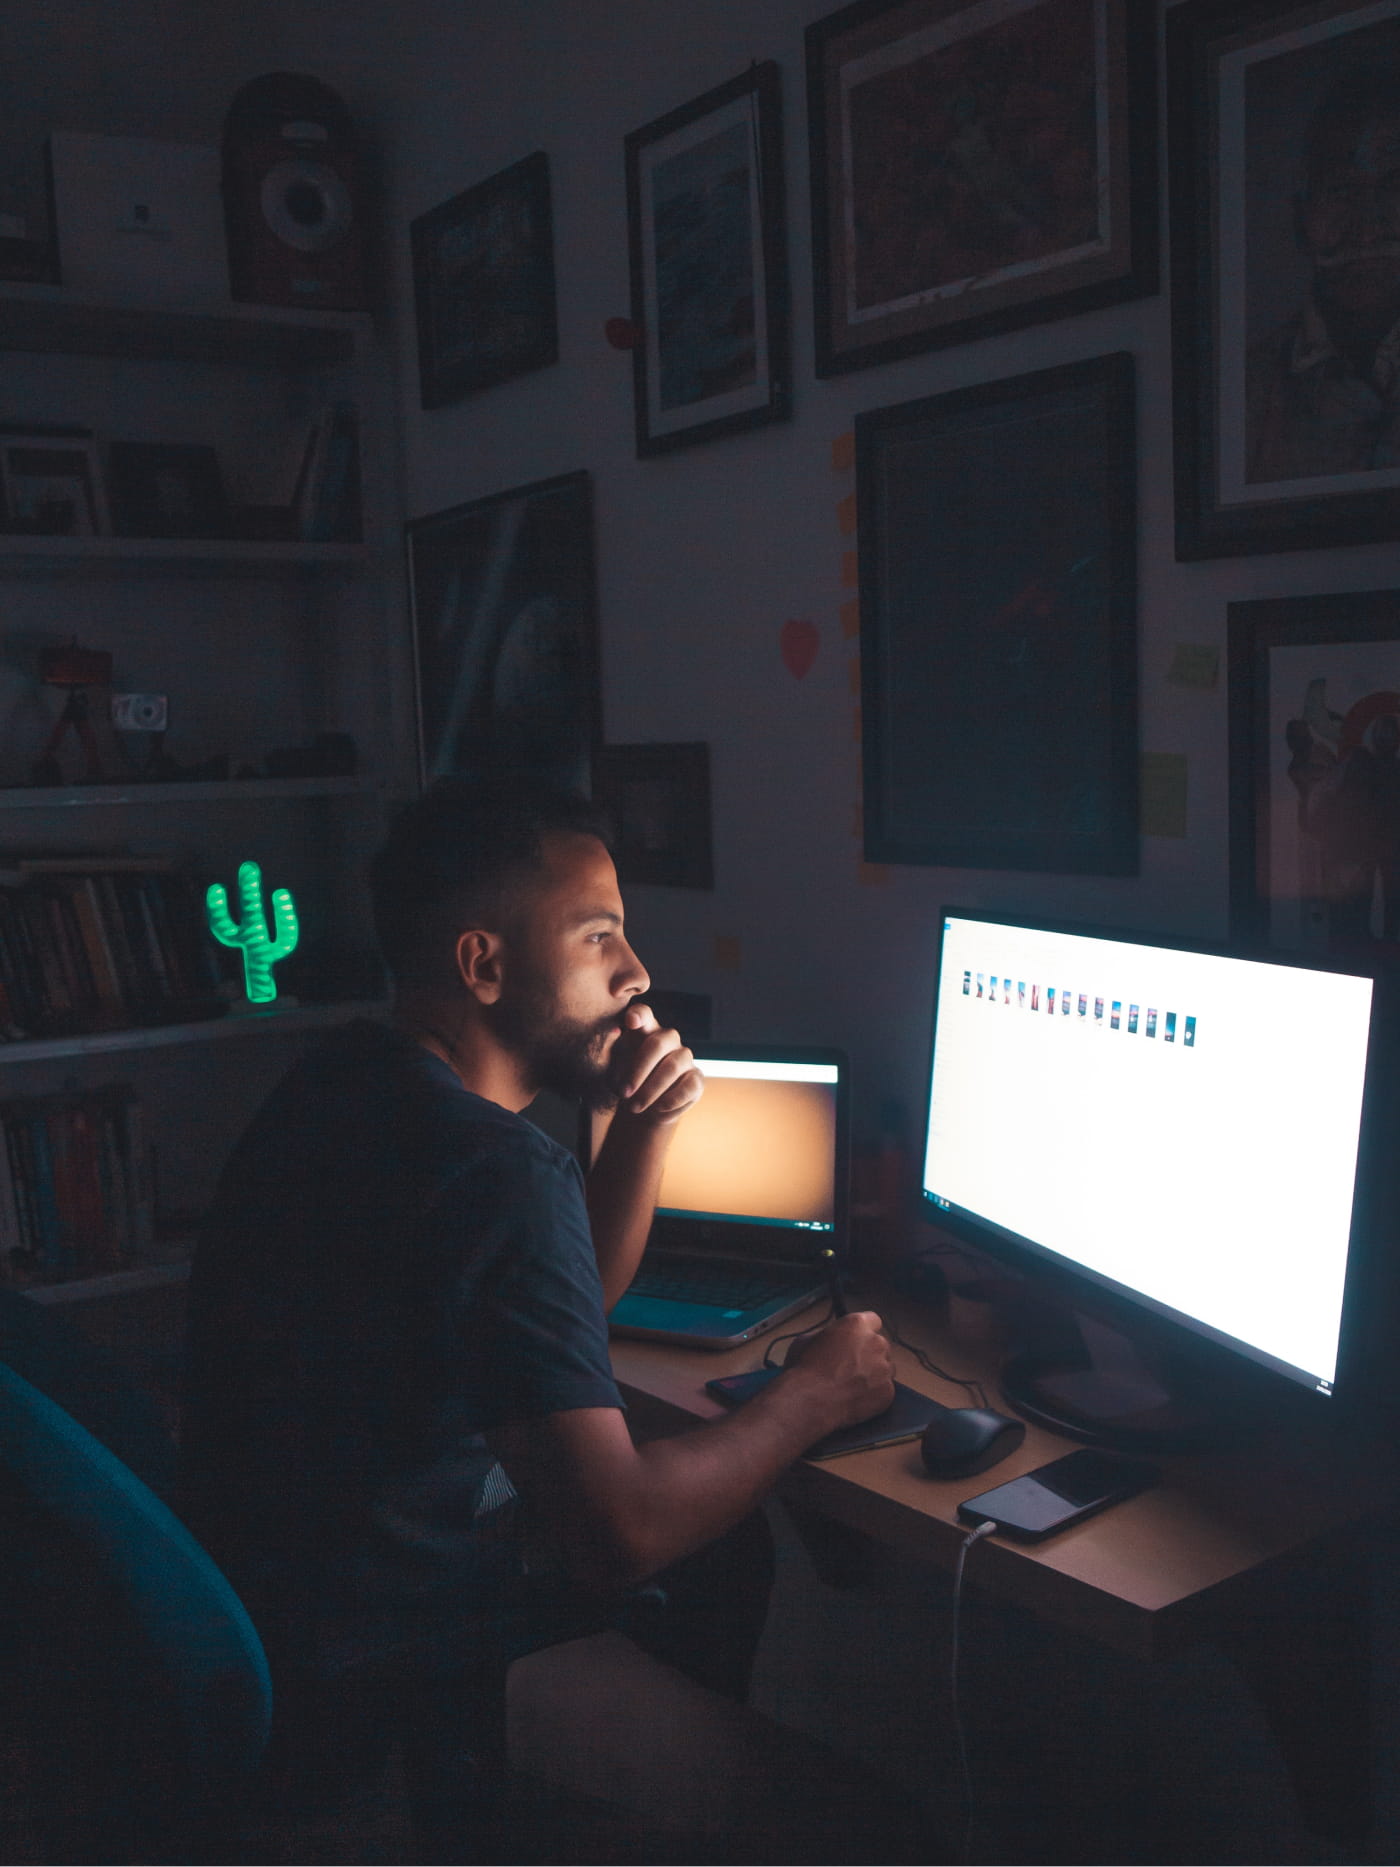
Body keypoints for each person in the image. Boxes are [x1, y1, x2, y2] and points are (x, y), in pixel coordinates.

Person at [178, 778, 894, 1851]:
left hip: (294, 1589)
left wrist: (634, 1126)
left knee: (727, 1549)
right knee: (878, 1827)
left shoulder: (347, 1082)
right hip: (395, 1668)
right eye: (600, 934)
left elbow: (556, 1320)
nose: (637, 972)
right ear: (484, 964)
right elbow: (619, 1533)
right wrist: (810, 1396)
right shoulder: (494, 1168)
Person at [1246, 67, 1400, 484]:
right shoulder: (1245, 392)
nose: (1368, 230)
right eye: (1342, 191)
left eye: (1394, 186)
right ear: (1301, 219)